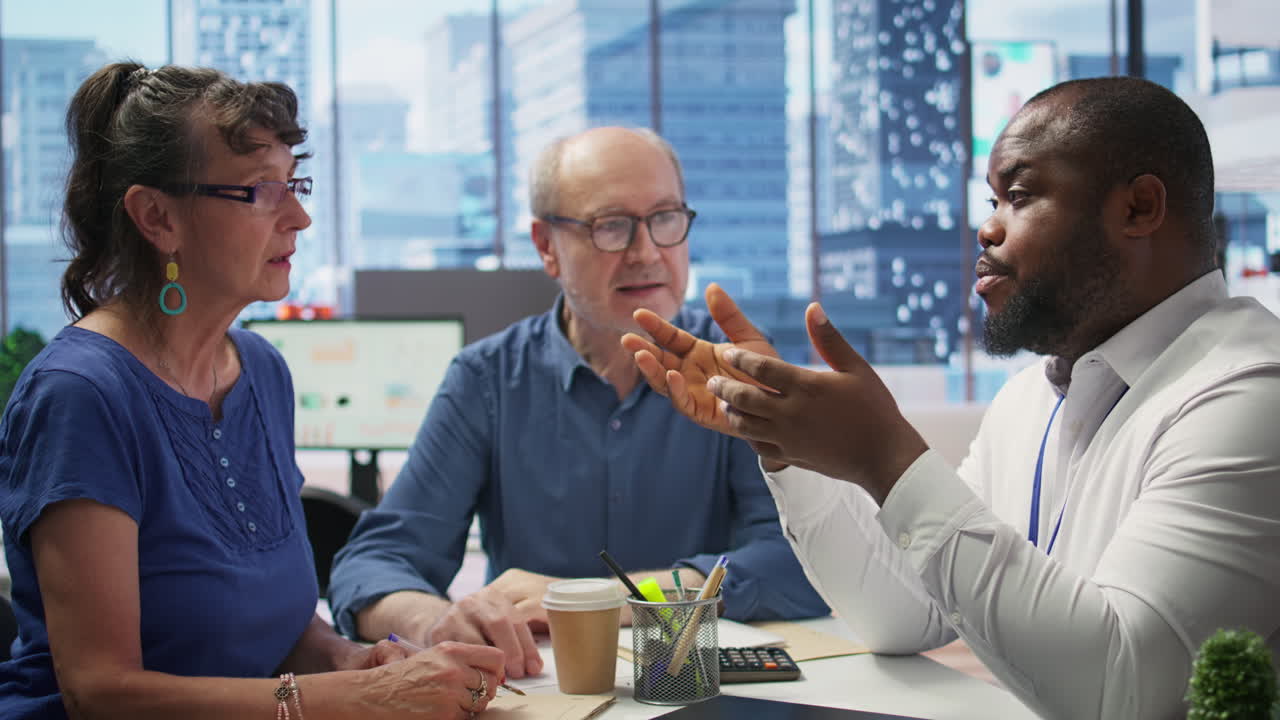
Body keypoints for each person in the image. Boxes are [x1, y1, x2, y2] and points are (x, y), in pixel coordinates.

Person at [623, 76, 1280, 719]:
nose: (987, 231)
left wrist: (886, 457)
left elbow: (1122, 693)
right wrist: (783, 438)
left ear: (1139, 207)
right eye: (990, 202)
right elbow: (901, 615)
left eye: (1017, 197)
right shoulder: (1033, 397)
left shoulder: (1249, 394)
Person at [0, 63, 504, 720]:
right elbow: (101, 691)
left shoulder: (262, 370)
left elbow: (281, 631)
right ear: (157, 217)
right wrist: (345, 698)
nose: (297, 216)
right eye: (261, 191)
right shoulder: (80, 395)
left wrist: (355, 661)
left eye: (295, 183)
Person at [328, 126, 828, 681]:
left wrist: (614, 598)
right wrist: (437, 622)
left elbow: (803, 563)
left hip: (692, 689)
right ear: (546, 246)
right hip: (543, 696)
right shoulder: (486, 380)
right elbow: (370, 566)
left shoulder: (732, 370)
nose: (646, 253)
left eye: (665, 218)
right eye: (610, 226)